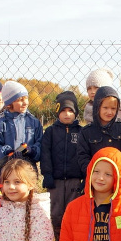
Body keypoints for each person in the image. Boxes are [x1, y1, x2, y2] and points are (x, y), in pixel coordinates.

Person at [41, 91, 84, 233]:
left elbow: (84, 154)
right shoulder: (50, 132)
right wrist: (47, 174)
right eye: (63, 110)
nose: (67, 114)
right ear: (57, 112)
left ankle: (72, 235)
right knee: (55, 210)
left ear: (76, 113)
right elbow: (45, 154)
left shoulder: (81, 132)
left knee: (73, 209)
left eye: (70, 110)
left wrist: (84, 175)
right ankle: (56, 237)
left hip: (75, 180)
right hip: (56, 180)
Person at [77, 86, 121, 173]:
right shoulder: (87, 132)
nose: (109, 112)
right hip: (96, 180)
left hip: (118, 177)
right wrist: (95, 174)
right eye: (105, 108)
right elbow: (83, 157)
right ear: (97, 107)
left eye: (113, 108)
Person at [0, 81, 43, 168]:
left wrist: (31, 151)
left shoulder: (34, 122)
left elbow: (40, 145)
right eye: (20, 100)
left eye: (26, 98)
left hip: (28, 169)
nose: (25, 102)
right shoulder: (1, 124)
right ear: (9, 104)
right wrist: (7, 151)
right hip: (7, 169)